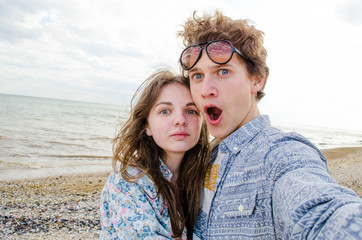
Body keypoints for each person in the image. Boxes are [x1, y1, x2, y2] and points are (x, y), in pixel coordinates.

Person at [177, 10, 362, 239]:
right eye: (197, 76)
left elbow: (322, 212)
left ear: (257, 79)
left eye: (223, 71)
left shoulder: (280, 154)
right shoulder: (202, 156)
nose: (205, 90)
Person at [100, 69, 210, 239]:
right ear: (147, 126)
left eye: (191, 111)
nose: (180, 120)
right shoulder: (128, 182)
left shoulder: (203, 178)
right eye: (165, 111)